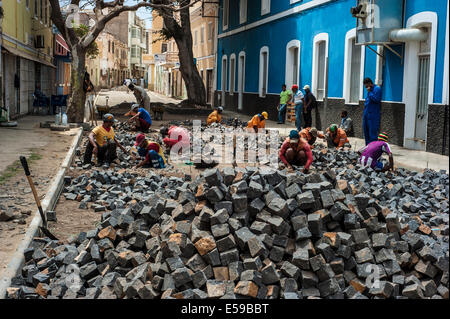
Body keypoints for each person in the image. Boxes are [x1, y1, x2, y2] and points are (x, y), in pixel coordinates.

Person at [363, 77, 382, 145]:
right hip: (366, 114)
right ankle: (368, 149)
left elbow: (376, 100)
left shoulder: (377, 89)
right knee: (366, 132)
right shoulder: (369, 91)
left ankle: (373, 149)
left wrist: (370, 92)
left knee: (372, 133)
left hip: (373, 115)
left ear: (370, 84)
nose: (366, 88)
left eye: (366, 86)